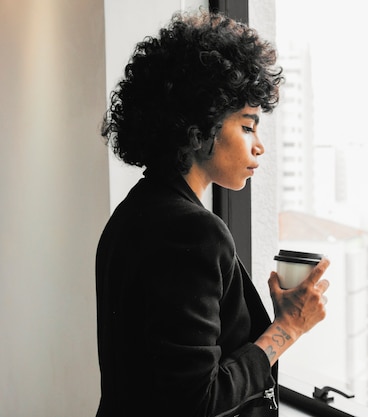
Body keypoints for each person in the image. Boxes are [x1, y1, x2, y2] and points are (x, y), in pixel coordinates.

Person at [95, 9, 330, 417]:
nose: (259, 146)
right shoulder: (192, 231)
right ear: (197, 128)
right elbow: (195, 402)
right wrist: (288, 327)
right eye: (247, 126)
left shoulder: (135, 211)